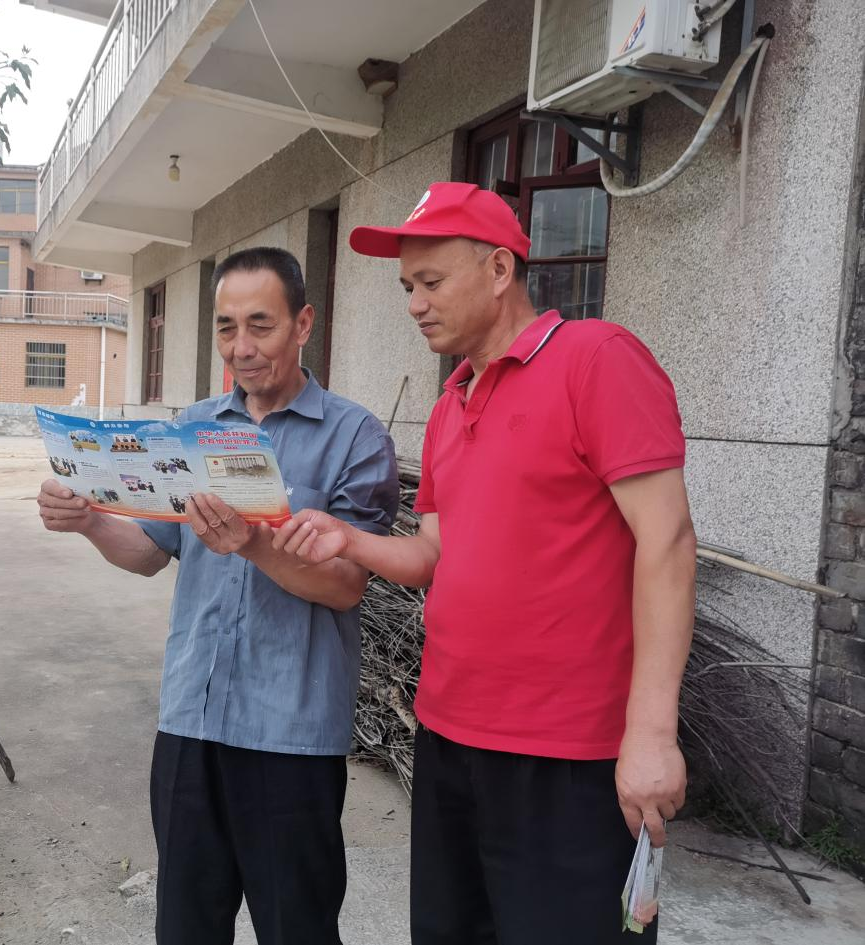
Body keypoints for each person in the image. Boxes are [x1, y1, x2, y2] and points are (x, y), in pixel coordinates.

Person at [273, 182, 697, 944]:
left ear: (500, 270)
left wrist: (652, 732)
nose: (415, 304)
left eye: (431, 282)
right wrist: (347, 538)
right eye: (407, 286)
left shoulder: (596, 361)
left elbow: (666, 541)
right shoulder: (450, 405)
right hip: (448, 740)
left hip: (566, 756)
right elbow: (433, 553)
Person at [37, 246, 400, 945]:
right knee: (185, 925)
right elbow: (150, 552)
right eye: (226, 328)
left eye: (261, 325)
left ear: (303, 324)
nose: (241, 347)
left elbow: (346, 586)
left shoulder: (354, 436)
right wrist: (89, 521)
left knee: (297, 928)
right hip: (190, 719)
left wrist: (254, 544)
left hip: (290, 733)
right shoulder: (192, 428)